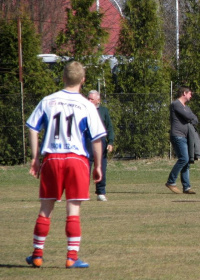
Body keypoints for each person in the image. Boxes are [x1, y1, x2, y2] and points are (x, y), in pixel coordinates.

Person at [25, 61, 107, 268]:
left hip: (52, 158)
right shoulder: (87, 105)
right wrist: (98, 165)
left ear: (62, 78)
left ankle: (37, 254)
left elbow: (33, 127)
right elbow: (97, 139)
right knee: (73, 210)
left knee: (45, 208)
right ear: (83, 80)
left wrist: (35, 157)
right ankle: (71, 257)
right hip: (76, 159)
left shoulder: (48, 101)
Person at [165, 86, 198, 194]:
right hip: (177, 135)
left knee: (187, 161)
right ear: (184, 93)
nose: (191, 96)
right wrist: (190, 117)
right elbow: (188, 116)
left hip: (186, 136)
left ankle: (186, 187)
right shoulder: (176, 104)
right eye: (190, 94)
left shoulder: (186, 107)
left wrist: (191, 117)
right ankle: (171, 182)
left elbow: (195, 118)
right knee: (184, 158)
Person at [87, 90, 115, 201]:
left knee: (101, 168)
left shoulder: (104, 111)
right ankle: (83, 192)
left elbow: (110, 127)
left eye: (91, 99)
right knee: (85, 169)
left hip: (101, 142)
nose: (89, 100)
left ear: (98, 100)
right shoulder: (84, 110)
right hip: (87, 142)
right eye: (88, 98)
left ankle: (101, 192)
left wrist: (110, 142)